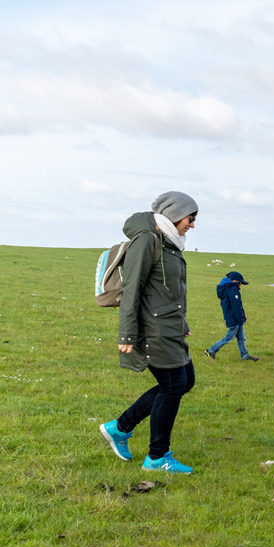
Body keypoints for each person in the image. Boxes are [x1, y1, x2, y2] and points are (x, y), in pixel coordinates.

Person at [99, 191, 199, 474]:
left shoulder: (169, 243)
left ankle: (120, 428)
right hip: (153, 330)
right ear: (174, 214)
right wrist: (127, 334)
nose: (192, 225)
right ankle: (157, 457)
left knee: (184, 381)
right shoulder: (147, 240)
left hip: (169, 327)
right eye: (190, 218)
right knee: (172, 386)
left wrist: (183, 324)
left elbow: (168, 291)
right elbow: (132, 289)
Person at [204, 271, 258, 362]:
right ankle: (211, 350)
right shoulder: (233, 290)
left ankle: (245, 355)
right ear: (234, 281)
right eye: (240, 283)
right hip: (235, 319)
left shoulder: (226, 288)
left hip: (233, 318)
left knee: (241, 338)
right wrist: (240, 319)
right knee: (228, 338)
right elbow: (236, 306)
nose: (240, 285)